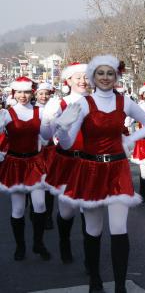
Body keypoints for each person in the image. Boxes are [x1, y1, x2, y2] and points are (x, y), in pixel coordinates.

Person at [54, 55, 145, 292]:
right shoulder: (84, 104)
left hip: (117, 170)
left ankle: (120, 285)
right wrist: (62, 127)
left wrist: (130, 139)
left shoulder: (126, 102)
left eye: (110, 73)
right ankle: (95, 279)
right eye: (100, 73)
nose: (105, 77)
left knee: (119, 229)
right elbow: (68, 144)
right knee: (93, 229)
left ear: (116, 76)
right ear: (93, 77)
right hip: (90, 170)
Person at [0, 77, 56, 261]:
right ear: (13, 93)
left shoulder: (40, 112)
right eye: (19, 92)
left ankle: (38, 243)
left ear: (31, 93)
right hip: (15, 163)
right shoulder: (6, 114)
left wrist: (50, 123)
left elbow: (47, 136)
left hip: (35, 162)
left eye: (26, 92)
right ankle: (20, 246)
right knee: (17, 208)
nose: (22, 96)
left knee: (40, 205)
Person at [40, 62, 90, 265]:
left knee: (89, 209)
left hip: (90, 162)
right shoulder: (58, 104)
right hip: (67, 161)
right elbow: (45, 136)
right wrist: (48, 120)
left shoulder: (97, 102)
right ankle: (64, 242)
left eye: (86, 77)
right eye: (78, 77)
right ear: (68, 81)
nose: (83, 81)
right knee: (67, 211)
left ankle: (90, 257)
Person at [34, 82, 57, 229]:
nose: (43, 96)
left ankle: (48, 215)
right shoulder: (32, 110)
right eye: (41, 93)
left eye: (46, 94)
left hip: (50, 151)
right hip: (34, 152)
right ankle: (34, 211)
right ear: (36, 94)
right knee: (34, 184)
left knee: (49, 185)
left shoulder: (55, 110)